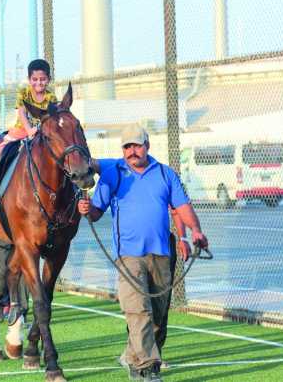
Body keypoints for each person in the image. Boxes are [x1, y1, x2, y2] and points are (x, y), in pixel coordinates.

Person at [78, 123, 208, 382]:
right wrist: (86, 209)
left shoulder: (164, 174)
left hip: (160, 254)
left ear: (147, 145)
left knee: (157, 315)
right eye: (127, 147)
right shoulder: (113, 173)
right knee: (138, 309)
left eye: (137, 145)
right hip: (128, 255)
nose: (132, 151)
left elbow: (182, 206)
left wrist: (195, 232)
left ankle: (131, 356)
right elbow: (96, 211)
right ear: (122, 150)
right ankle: (147, 368)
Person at [0, 58, 57, 200]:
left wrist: (41, 130)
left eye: (43, 79)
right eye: (34, 79)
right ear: (29, 79)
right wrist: (29, 130)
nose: (39, 82)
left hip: (41, 133)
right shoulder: (24, 93)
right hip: (20, 130)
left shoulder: (51, 97)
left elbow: (51, 118)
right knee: (1, 149)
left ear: (48, 79)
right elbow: (22, 113)